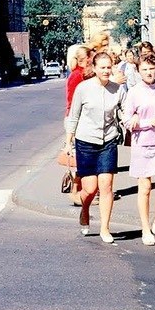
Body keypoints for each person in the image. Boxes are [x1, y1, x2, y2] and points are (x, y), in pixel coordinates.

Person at [64, 51, 126, 244]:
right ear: (95, 68)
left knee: (106, 187)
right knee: (90, 189)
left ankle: (105, 228)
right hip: (86, 141)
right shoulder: (83, 88)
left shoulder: (118, 90)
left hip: (108, 141)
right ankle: (84, 210)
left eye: (109, 67)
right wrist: (68, 142)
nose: (107, 71)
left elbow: (125, 113)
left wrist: (133, 122)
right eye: (103, 67)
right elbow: (73, 116)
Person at [123, 52, 155, 245]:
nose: (148, 73)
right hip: (142, 144)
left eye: (151, 69)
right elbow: (127, 121)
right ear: (138, 71)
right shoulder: (134, 92)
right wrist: (146, 122)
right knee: (145, 188)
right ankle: (146, 228)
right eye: (144, 69)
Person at [63, 46, 91, 206]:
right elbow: (73, 102)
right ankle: (75, 193)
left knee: (82, 159)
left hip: (79, 119)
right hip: (76, 119)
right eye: (90, 58)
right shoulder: (78, 75)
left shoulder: (81, 74)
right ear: (85, 59)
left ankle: (82, 192)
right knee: (80, 159)